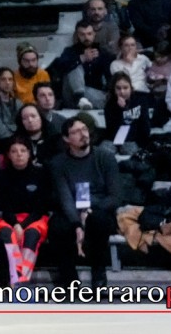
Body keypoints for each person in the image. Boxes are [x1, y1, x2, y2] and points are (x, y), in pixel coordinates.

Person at [47, 117, 120, 288]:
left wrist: (89, 210)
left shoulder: (105, 157)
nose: (83, 134)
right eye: (76, 132)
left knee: (99, 221)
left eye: (84, 129)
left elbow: (115, 196)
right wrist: (77, 223)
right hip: (70, 208)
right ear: (66, 139)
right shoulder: (58, 163)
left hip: (98, 207)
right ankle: (69, 278)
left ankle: (99, 271)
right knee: (57, 226)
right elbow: (64, 196)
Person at [0, 137, 54, 282]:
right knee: (6, 233)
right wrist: (15, 224)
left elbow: (41, 207)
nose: (19, 154)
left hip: (35, 219)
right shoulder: (1, 176)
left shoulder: (41, 174)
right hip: (10, 218)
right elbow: (4, 205)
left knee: (31, 234)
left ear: (29, 153)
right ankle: (13, 274)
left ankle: (21, 278)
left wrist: (23, 225)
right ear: (8, 155)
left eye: (23, 151)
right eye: (14, 151)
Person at [104, 72, 159, 155]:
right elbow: (110, 129)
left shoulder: (140, 100)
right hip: (114, 140)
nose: (122, 92)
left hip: (134, 139)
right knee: (104, 151)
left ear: (130, 87)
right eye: (118, 88)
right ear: (114, 89)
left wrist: (140, 142)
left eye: (125, 88)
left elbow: (145, 126)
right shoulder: (110, 105)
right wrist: (119, 109)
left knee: (128, 150)